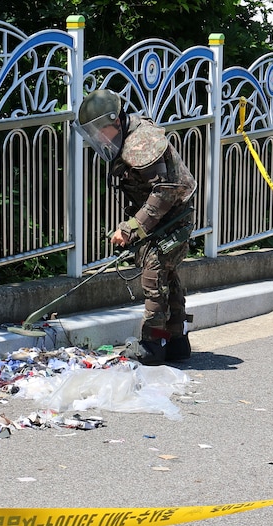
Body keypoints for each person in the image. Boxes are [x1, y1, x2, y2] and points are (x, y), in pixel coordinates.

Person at [73, 89, 196, 365]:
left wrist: (131, 228)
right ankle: (177, 341)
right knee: (167, 275)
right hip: (166, 217)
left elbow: (164, 192)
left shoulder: (140, 142)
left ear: (115, 121)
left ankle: (153, 344)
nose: (98, 137)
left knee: (154, 278)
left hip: (173, 217)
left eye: (99, 130)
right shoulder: (125, 137)